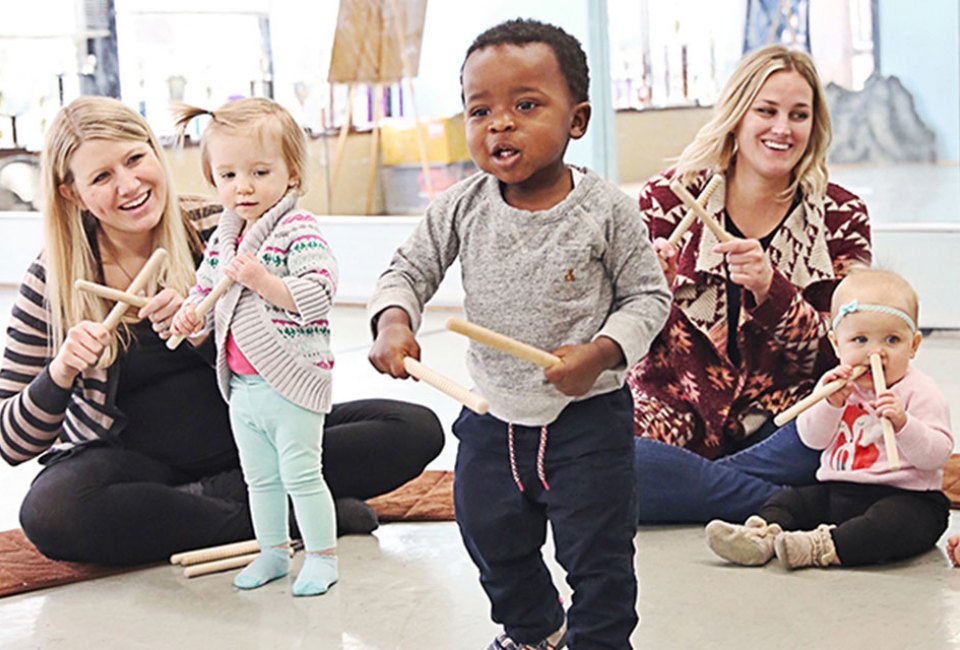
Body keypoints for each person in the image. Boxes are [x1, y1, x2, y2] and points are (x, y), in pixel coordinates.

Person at [0, 95, 444, 567]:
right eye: (102, 177)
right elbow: (12, 442)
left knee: (412, 428)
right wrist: (61, 371)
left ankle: (212, 504)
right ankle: (283, 519)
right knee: (52, 513)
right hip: (134, 464)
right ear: (72, 193)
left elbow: (296, 335)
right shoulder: (54, 279)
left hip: (252, 433)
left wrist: (200, 334)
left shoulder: (222, 229)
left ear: (156, 151)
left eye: (135, 159)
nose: (129, 185)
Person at [368, 18, 670, 650]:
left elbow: (648, 297)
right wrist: (394, 319)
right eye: (480, 111)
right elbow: (408, 268)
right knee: (489, 537)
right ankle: (535, 632)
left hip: (587, 420)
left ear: (576, 120)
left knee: (599, 558)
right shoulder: (462, 205)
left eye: (526, 106)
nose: (499, 124)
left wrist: (601, 353)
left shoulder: (607, 210)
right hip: (491, 416)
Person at [628, 44, 873, 524]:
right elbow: (621, 339)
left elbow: (842, 353)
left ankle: (700, 484)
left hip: (783, 422)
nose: (782, 128)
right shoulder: (666, 199)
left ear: (814, 127)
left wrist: (772, 292)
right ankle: (784, 503)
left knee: (852, 428)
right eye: (767, 110)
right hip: (674, 411)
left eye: (798, 115)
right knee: (605, 457)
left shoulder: (841, 214)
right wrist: (644, 292)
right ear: (738, 115)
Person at [168, 98, 337, 595]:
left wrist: (264, 281)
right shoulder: (225, 237)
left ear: (291, 174)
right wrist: (190, 309)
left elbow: (319, 292)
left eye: (260, 171)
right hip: (242, 385)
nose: (243, 186)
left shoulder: (296, 230)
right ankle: (273, 552)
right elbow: (205, 287)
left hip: (291, 384)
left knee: (303, 475)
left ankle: (323, 557)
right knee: (258, 479)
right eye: (228, 175)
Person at [704, 269, 952, 569]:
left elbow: (936, 456)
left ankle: (820, 547)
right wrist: (830, 405)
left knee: (892, 524)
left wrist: (904, 424)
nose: (876, 352)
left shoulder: (919, 390)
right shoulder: (835, 387)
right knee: (791, 500)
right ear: (837, 344)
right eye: (860, 339)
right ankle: (762, 535)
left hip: (905, 497)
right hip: (839, 491)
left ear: (913, 345)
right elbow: (812, 439)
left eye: (891, 340)